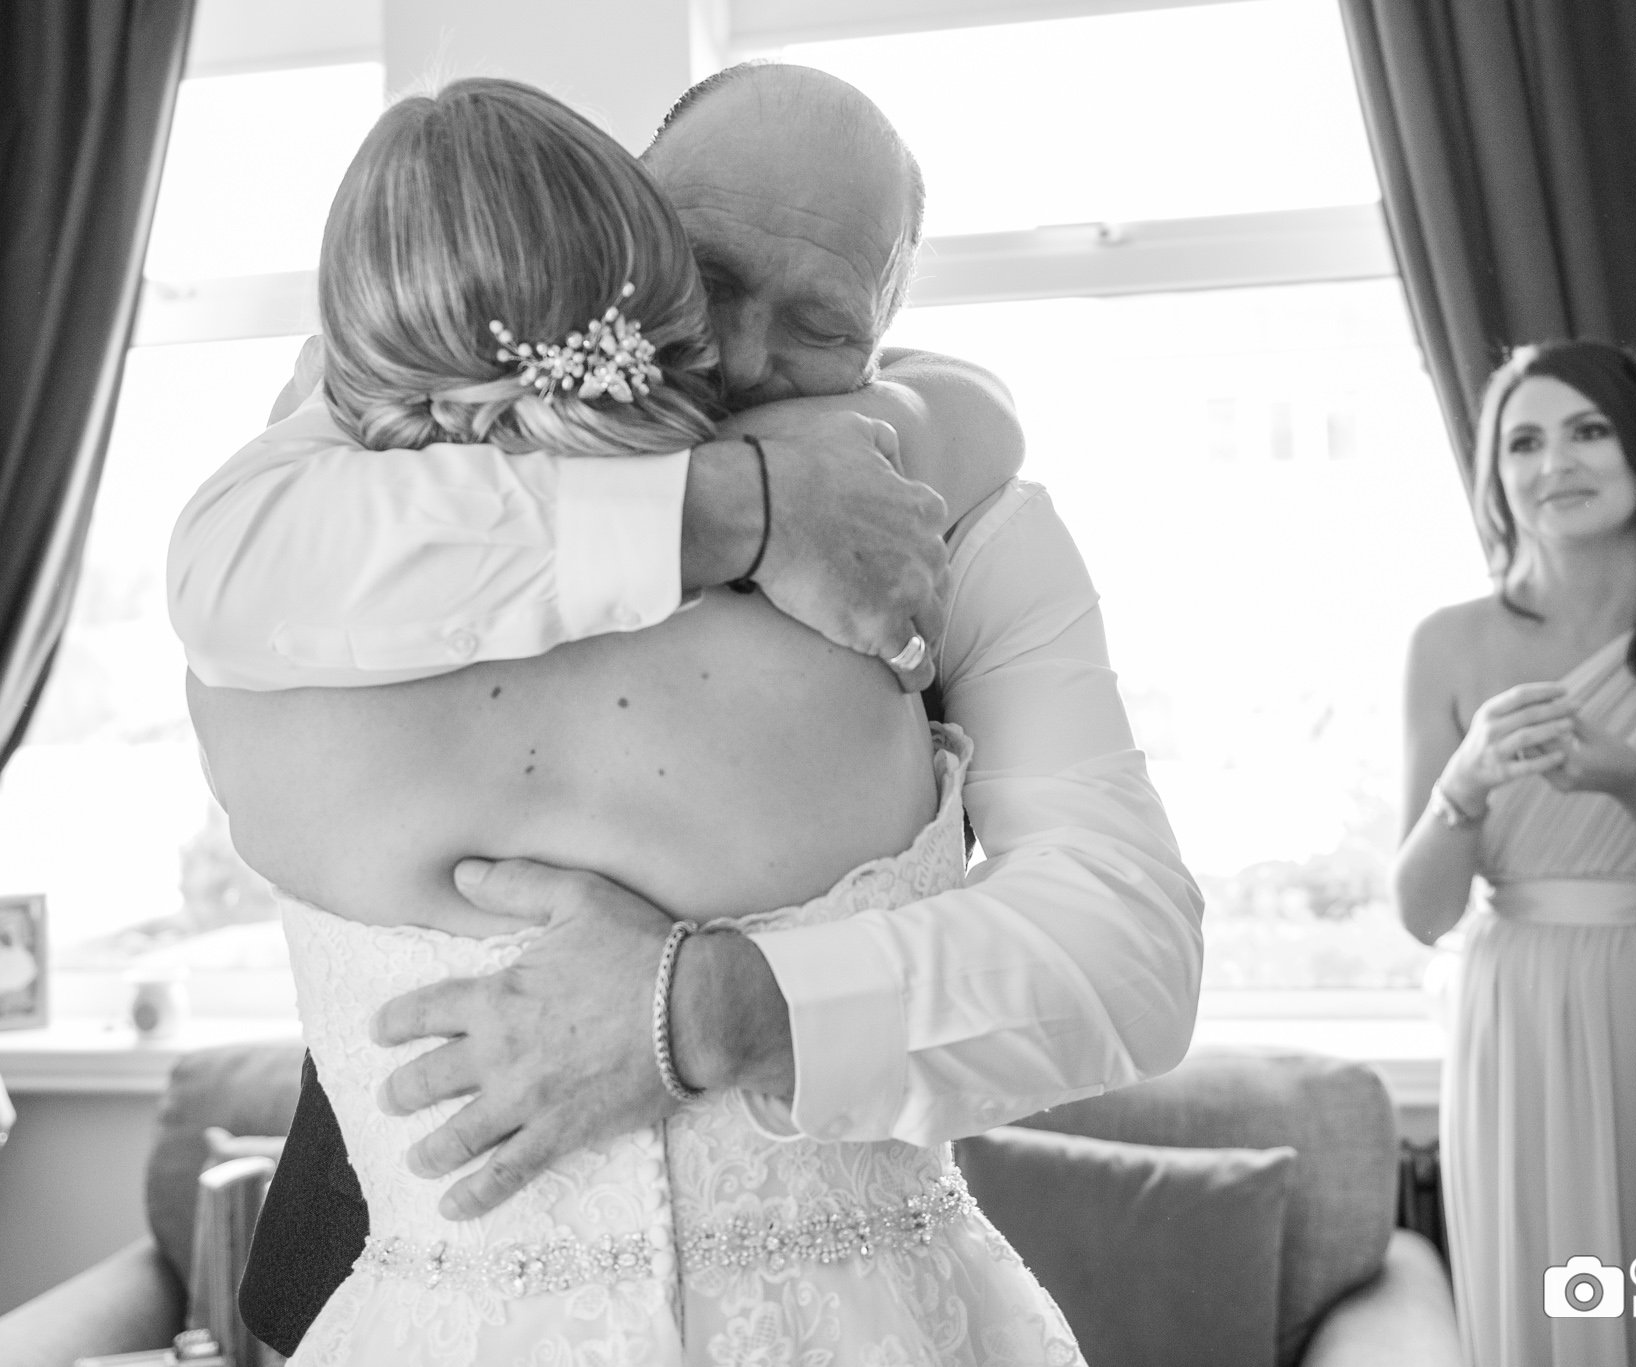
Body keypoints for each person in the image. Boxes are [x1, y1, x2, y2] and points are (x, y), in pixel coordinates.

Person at [169, 62, 1200, 1355]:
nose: (753, 357)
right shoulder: (383, 442)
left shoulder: (950, 514)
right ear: (622, 218)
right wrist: (741, 509)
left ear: (889, 326)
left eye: (825, 323)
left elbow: (1133, 947)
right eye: (709, 277)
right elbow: (221, 567)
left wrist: (722, 1005)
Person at [1392, 340, 1636, 1367]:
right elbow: (1420, 910)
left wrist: (1633, 783)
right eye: (1521, 441)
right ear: (1493, 476)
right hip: (1513, 1009)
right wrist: (1463, 784)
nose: (1551, 461)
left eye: (1585, 430)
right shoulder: (1446, 642)